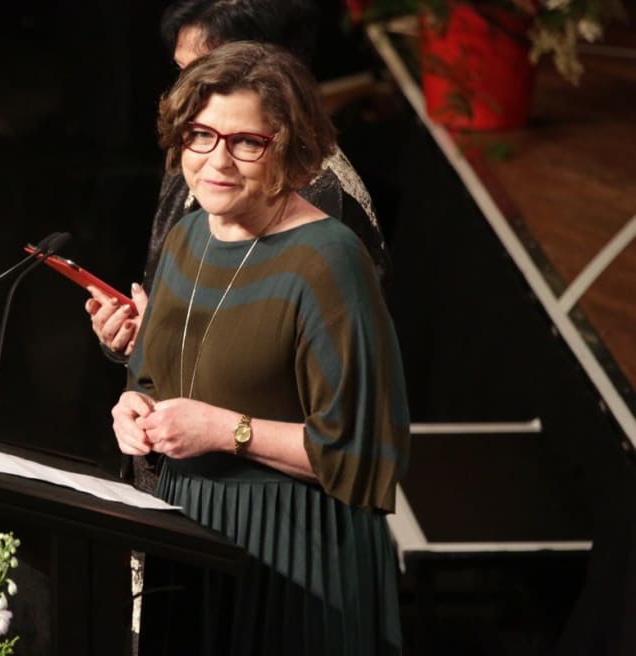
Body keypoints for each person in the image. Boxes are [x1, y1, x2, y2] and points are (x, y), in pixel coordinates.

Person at [111, 41, 409, 654]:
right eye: (201, 134)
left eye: (247, 142)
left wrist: (226, 431)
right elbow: (149, 379)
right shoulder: (187, 236)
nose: (217, 160)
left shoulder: (328, 260)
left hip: (294, 552)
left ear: (291, 151)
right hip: (188, 534)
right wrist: (131, 412)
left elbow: (362, 453)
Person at [87, 0, 391, 494]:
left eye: (211, 73)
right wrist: (147, 346)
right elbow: (209, 337)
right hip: (173, 491)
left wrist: (225, 430)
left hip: (270, 509)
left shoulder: (323, 203)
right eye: (184, 74)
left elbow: (341, 431)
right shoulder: (197, 154)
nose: (191, 95)